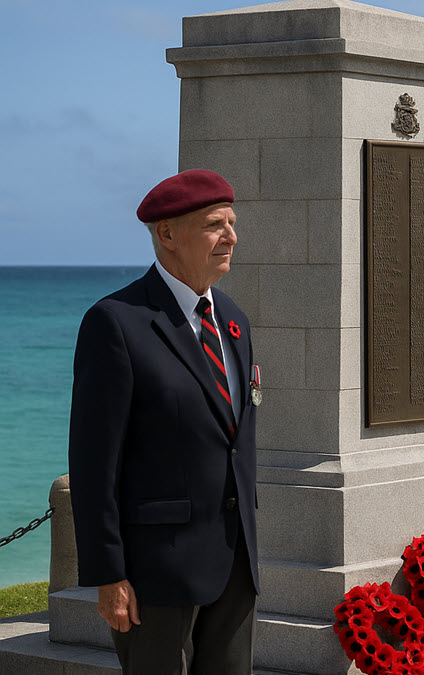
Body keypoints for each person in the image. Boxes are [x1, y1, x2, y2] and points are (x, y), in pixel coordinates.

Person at [68, 169, 260, 674]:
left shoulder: (234, 320)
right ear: (167, 234)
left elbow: (234, 443)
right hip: (155, 574)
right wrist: (109, 574)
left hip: (234, 563)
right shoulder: (117, 322)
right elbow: (93, 463)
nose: (231, 237)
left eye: (233, 223)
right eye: (215, 225)